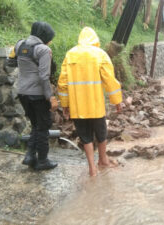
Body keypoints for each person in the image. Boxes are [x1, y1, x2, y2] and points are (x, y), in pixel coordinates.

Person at [57, 27, 123, 177]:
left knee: (85, 136)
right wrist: (117, 101)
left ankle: (92, 168)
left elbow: (62, 83)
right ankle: (103, 160)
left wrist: (65, 105)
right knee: (101, 133)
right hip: (96, 105)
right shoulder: (100, 54)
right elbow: (110, 81)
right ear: (95, 39)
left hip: (77, 106)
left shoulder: (70, 54)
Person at [8, 21, 59, 170]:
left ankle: (30, 156)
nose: (50, 41)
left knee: (36, 125)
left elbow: (10, 62)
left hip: (23, 92)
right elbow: (44, 76)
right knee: (43, 127)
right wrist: (50, 97)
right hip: (37, 94)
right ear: (44, 36)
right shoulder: (43, 50)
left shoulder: (20, 44)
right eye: (49, 38)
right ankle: (42, 161)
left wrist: (27, 67)